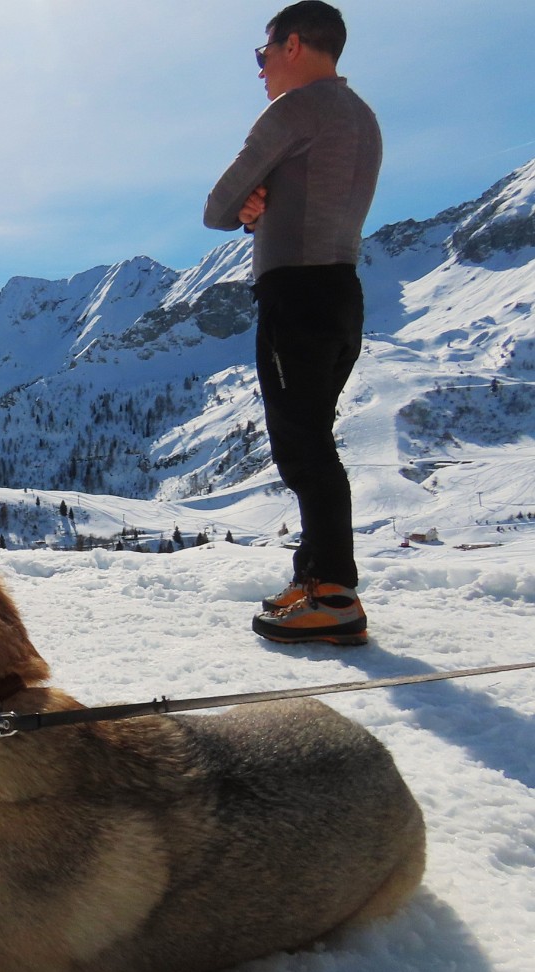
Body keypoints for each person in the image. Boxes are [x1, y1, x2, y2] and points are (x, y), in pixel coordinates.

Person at [204, 1, 380, 646]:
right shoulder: (360, 116)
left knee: (302, 445)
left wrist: (246, 206)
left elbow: (217, 204)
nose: (260, 71)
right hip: (339, 291)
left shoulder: (296, 110)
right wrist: (264, 208)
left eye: (263, 53)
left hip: (296, 295)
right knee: (312, 438)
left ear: (295, 45)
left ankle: (333, 594)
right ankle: (315, 583)